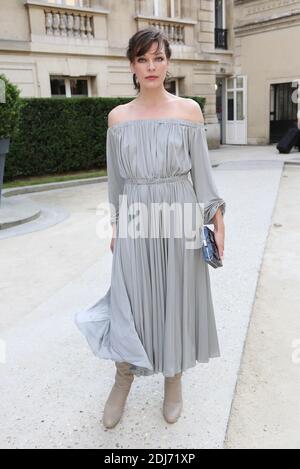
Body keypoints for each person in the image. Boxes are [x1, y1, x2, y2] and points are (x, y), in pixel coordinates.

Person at [75, 27, 226, 429]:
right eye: (143, 59)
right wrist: (116, 225)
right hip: (137, 215)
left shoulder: (189, 111)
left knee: (175, 297)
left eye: (158, 58)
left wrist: (216, 219)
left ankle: (173, 378)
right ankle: (123, 377)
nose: (151, 66)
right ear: (132, 66)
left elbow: (203, 177)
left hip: (180, 216)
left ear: (168, 63)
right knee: (131, 301)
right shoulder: (118, 117)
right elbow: (115, 181)